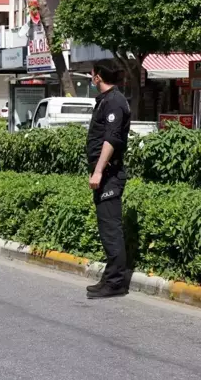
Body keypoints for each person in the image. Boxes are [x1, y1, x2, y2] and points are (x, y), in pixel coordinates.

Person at [85, 59, 131, 299]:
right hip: (106, 172)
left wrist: (99, 171)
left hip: (109, 174)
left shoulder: (114, 102)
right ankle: (110, 278)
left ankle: (115, 283)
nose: (91, 78)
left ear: (98, 77)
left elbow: (111, 139)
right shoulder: (108, 100)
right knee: (107, 228)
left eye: (92, 74)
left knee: (111, 229)